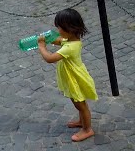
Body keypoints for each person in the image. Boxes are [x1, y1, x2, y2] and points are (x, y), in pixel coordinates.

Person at [37, 8, 97, 142]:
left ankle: (88, 129)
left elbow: (50, 58)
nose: (58, 30)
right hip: (73, 77)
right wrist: (49, 39)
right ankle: (82, 122)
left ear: (70, 29)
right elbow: (59, 40)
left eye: (59, 28)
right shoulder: (71, 40)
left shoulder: (70, 47)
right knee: (79, 103)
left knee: (80, 105)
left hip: (74, 78)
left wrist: (42, 46)